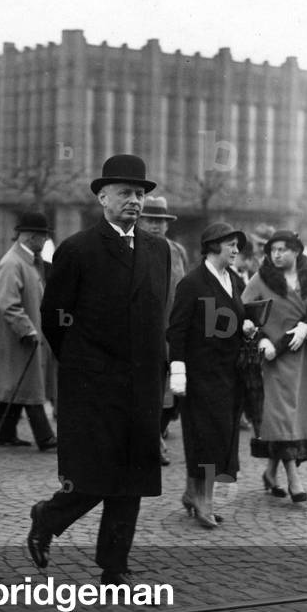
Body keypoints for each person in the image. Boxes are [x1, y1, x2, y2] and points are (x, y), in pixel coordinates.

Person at [31, 154, 170, 585]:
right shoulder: (78, 250)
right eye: (125, 192)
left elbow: (157, 316)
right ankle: (48, 517)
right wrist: (83, 363)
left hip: (142, 383)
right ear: (102, 197)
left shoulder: (158, 250)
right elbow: (54, 318)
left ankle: (114, 565)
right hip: (94, 383)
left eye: (140, 193)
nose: (134, 201)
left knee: (133, 478)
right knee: (94, 473)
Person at [167, 223, 249, 528]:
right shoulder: (192, 283)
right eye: (231, 245)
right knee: (206, 438)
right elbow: (176, 330)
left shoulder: (234, 280)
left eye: (237, 245)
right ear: (214, 246)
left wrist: (247, 326)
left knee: (221, 437)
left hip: (230, 374)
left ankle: (193, 493)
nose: (236, 250)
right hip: (201, 375)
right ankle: (205, 502)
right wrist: (178, 370)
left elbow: (236, 317)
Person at [241, 230, 307, 502]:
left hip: (303, 359)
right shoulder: (261, 278)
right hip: (273, 359)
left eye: (282, 249)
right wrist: (259, 338)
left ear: (297, 251)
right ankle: (294, 479)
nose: (276, 254)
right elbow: (242, 313)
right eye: (273, 250)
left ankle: (271, 473)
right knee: (282, 417)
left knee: (294, 419)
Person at [0, 213, 58, 450]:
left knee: (19, 383)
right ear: (31, 237)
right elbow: (7, 302)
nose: (46, 240)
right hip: (19, 338)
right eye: (44, 236)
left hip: (23, 338)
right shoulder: (13, 263)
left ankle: (4, 434)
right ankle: (45, 437)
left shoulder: (26, 261)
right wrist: (27, 329)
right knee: (30, 385)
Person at [137, 196, 188, 466]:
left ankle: (157, 432)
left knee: (172, 390)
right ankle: (152, 441)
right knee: (149, 388)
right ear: (140, 221)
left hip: (174, 328)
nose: (156, 226)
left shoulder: (177, 251)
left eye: (161, 221)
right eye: (150, 220)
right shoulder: (133, 248)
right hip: (145, 329)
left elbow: (186, 288)